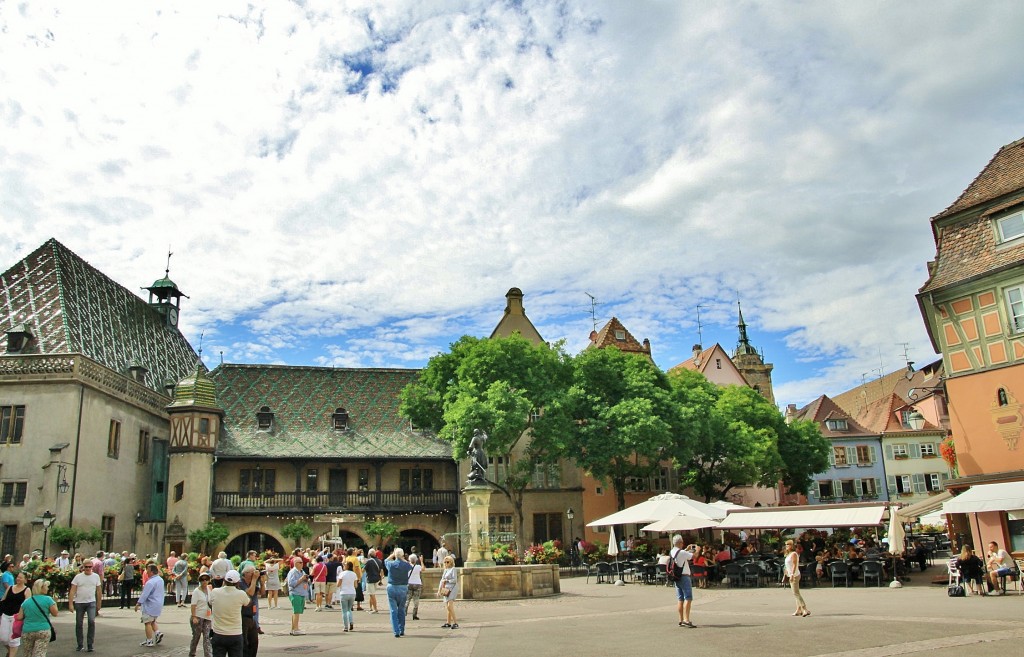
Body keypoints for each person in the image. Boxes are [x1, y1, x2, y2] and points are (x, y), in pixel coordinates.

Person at [209, 570, 252, 657]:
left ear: (224, 580)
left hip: (218, 633)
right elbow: (248, 603)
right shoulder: (241, 594)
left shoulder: (215, 592)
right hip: (235, 633)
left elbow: (210, 604)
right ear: (238, 582)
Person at [16, 578, 57, 657]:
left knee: (27, 653)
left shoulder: (26, 602)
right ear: (41, 588)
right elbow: (55, 613)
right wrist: (55, 602)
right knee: (40, 653)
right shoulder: (48, 599)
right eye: (46, 586)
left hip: (27, 630)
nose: (48, 588)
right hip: (43, 629)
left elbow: (19, 617)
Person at [69, 561, 102, 652]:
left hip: (91, 602)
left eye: (89, 567)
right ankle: (80, 644)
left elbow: (99, 590)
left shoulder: (95, 576)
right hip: (79, 602)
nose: (88, 568)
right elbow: (72, 590)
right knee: (79, 623)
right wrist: (70, 604)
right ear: (83, 567)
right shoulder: (78, 577)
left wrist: (99, 603)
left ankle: (90, 644)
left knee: (91, 621)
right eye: (86, 567)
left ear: (92, 567)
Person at [0, 570, 30, 657]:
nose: (18, 579)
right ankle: (10, 652)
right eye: (18, 577)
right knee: (3, 638)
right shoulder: (10, 587)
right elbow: (3, 600)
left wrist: (24, 617)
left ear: (25, 580)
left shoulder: (27, 590)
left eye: (21, 577)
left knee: (14, 640)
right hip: (5, 615)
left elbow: (27, 605)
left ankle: (11, 655)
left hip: (17, 617)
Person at [385, 548, 413, 638]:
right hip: (403, 587)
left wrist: (393, 555)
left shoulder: (391, 564)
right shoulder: (406, 565)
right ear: (403, 555)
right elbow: (410, 565)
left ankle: (396, 631)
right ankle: (401, 630)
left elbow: (385, 560)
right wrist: (402, 558)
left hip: (392, 586)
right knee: (401, 609)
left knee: (393, 610)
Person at [136, 563, 165, 647]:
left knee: (147, 622)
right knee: (152, 620)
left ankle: (149, 640)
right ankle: (157, 633)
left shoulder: (150, 582)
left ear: (152, 572)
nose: (146, 572)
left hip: (150, 604)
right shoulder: (160, 579)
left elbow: (145, 594)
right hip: (158, 603)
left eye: (148, 571)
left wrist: (138, 603)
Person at [670, 536, 695, 628]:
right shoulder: (682, 552)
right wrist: (698, 549)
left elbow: (680, 555)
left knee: (680, 598)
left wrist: (686, 549)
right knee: (688, 597)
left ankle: (681, 619)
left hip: (676, 576)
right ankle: (686, 619)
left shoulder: (672, 551)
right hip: (684, 576)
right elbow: (694, 556)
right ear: (681, 542)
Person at [238, 565, 261, 657]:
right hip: (243, 616)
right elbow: (250, 593)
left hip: (252, 616)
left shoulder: (253, 582)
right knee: (244, 642)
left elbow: (262, 593)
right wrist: (254, 579)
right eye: (252, 572)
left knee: (254, 642)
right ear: (246, 574)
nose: (254, 574)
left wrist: (262, 581)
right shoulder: (240, 583)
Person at [189, 573, 213, 657]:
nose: (204, 581)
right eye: (202, 580)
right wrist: (194, 616)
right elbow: (193, 605)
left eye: (206, 579)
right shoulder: (197, 591)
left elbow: (211, 602)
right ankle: (192, 653)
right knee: (196, 636)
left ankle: (208, 654)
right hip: (198, 616)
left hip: (208, 617)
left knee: (207, 636)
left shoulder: (209, 589)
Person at [784, 540, 809, 617]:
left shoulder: (794, 554)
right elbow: (788, 565)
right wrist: (786, 574)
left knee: (796, 593)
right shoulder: (788, 554)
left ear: (792, 546)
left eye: (788, 544)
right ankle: (798, 610)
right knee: (795, 593)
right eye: (786, 545)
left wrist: (792, 574)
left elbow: (795, 565)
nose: (786, 546)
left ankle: (804, 609)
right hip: (790, 574)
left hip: (795, 575)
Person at [286, 558, 309, 635]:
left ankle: (293, 629)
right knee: (296, 612)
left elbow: (304, 580)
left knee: (296, 611)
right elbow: (291, 583)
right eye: (300, 562)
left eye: (302, 562)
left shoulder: (302, 571)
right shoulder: (293, 572)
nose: (302, 564)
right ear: (295, 563)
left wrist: (306, 579)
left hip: (301, 592)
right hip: (295, 593)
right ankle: (295, 629)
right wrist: (301, 579)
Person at [438, 555, 459, 629]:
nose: (446, 563)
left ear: (451, 562)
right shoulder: (445, 570)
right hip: (446, 589)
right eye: (445, 562)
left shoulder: (453, 569)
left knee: (450, 605)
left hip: (452, 588)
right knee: (447, 606)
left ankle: (455, 623)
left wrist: (447, 580)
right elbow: (441, 580)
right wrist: (439, 590)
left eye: (448, 562)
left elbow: (455, 580)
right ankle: (448, 622)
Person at [337, 561, 357, 632]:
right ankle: (351, 622)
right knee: (349, 609)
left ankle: (346, 627)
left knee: (344, 610)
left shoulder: (342, 574)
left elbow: (338, 584)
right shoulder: (354, 574)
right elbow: (355, 585)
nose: (343, 566)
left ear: (347, 566)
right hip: (352, 592)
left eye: (345, 565)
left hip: (344, 593)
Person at [406, 554, 423, 621]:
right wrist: (421, 561)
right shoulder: (418, 566)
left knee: (407, 599)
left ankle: (404, 612)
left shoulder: (407, 566)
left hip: (409, 583)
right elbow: (423, 569)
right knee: (416, 599)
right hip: (417, 583)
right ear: (416, 560)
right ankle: (414, 615)